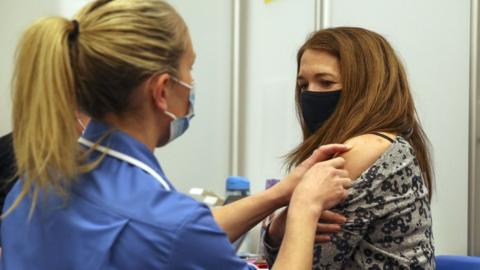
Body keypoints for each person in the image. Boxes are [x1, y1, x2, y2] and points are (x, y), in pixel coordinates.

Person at [1, 1, 353, 269]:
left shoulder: (31, 189)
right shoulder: (170, 226)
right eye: (190, 67)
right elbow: (177, 234)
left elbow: (178, 233)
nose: (193, 84)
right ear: (162, 91)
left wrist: (279, 194)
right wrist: (305, 207)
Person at [263, 27, 435, 269]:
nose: (310, 94)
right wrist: (280, 226)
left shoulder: (361, 150)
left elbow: (303, 261)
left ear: (366, 88)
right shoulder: (389, 143)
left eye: (325, 82)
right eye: (303, 85)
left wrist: (280, 226)